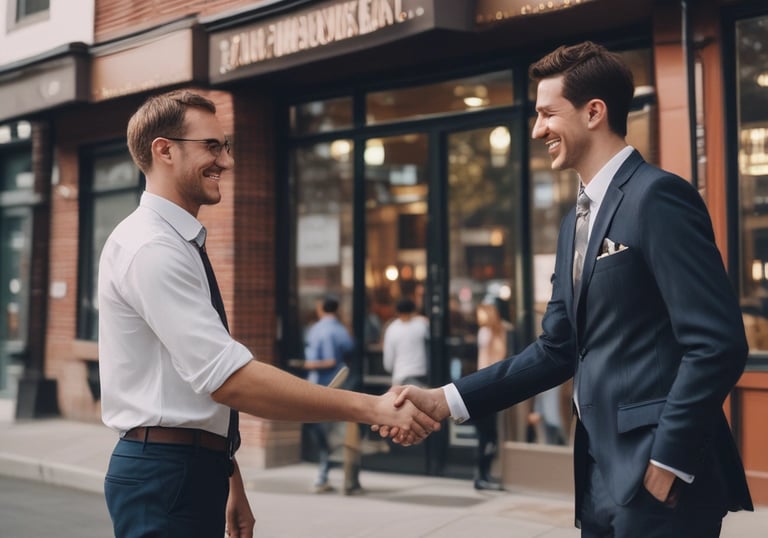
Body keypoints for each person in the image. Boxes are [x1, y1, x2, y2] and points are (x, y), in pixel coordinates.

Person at [380, 41, 753, 537]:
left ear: (594, 112)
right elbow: (557, 350)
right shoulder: (573, 223)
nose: (537, 130)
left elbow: (717, 344)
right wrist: (445, 399)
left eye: (547, 114)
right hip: (597, 475)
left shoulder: (658, 197)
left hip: (660, 478)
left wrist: (668, 460)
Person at [98, 90, 439, 538]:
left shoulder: (172, 241)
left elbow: (196, 390)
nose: (228, 161)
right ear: (164, 150)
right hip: (166, 474)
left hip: (188, 468)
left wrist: (228, 478)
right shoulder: (152, 248)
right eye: (213, 147)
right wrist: (371, 406)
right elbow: (228, 379)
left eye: (227, 146)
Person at [296, 296, 356, 494]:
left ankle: (324, 473)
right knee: (335, 432)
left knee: (321, 430)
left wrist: (309, 365)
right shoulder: (341, 329)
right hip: (338, 386)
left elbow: (329, 360)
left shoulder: (318, 328)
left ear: (321, 308)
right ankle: (344, 476)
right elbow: (349, 350)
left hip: (321, 386)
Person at [471, 302, 509, 491]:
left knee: (487, 435)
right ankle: (482, 474)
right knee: (488, 435)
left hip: (485, 385)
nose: (478, 318)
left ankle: (482, 474)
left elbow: (491, 359)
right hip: (490, 385)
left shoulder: (488, 333)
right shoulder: (496, 332)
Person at [382, 298, 429, 387]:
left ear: (397, 312)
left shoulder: (392, 329)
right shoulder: (422, 325)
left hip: (401, 376)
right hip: (422, 375)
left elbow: (388, 361)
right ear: (414, 311)